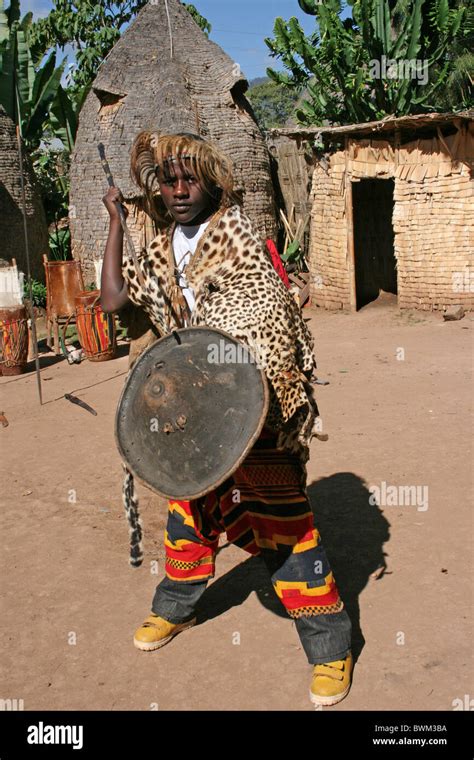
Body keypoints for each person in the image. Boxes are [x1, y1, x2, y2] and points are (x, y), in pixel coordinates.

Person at [101, 131, 353, 706]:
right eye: (168, 180)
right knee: (187, 514)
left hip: (256, 409)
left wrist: (215, 384)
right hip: (198, 416)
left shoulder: (238, 239)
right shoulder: (164, 249)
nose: (180, 189)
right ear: (157, 188)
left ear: (213, 181)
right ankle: (175, 610)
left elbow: (260, 318)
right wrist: (118, 219)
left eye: (191, 178)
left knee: (283, 522)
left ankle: (330, 645)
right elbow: (114, 299)